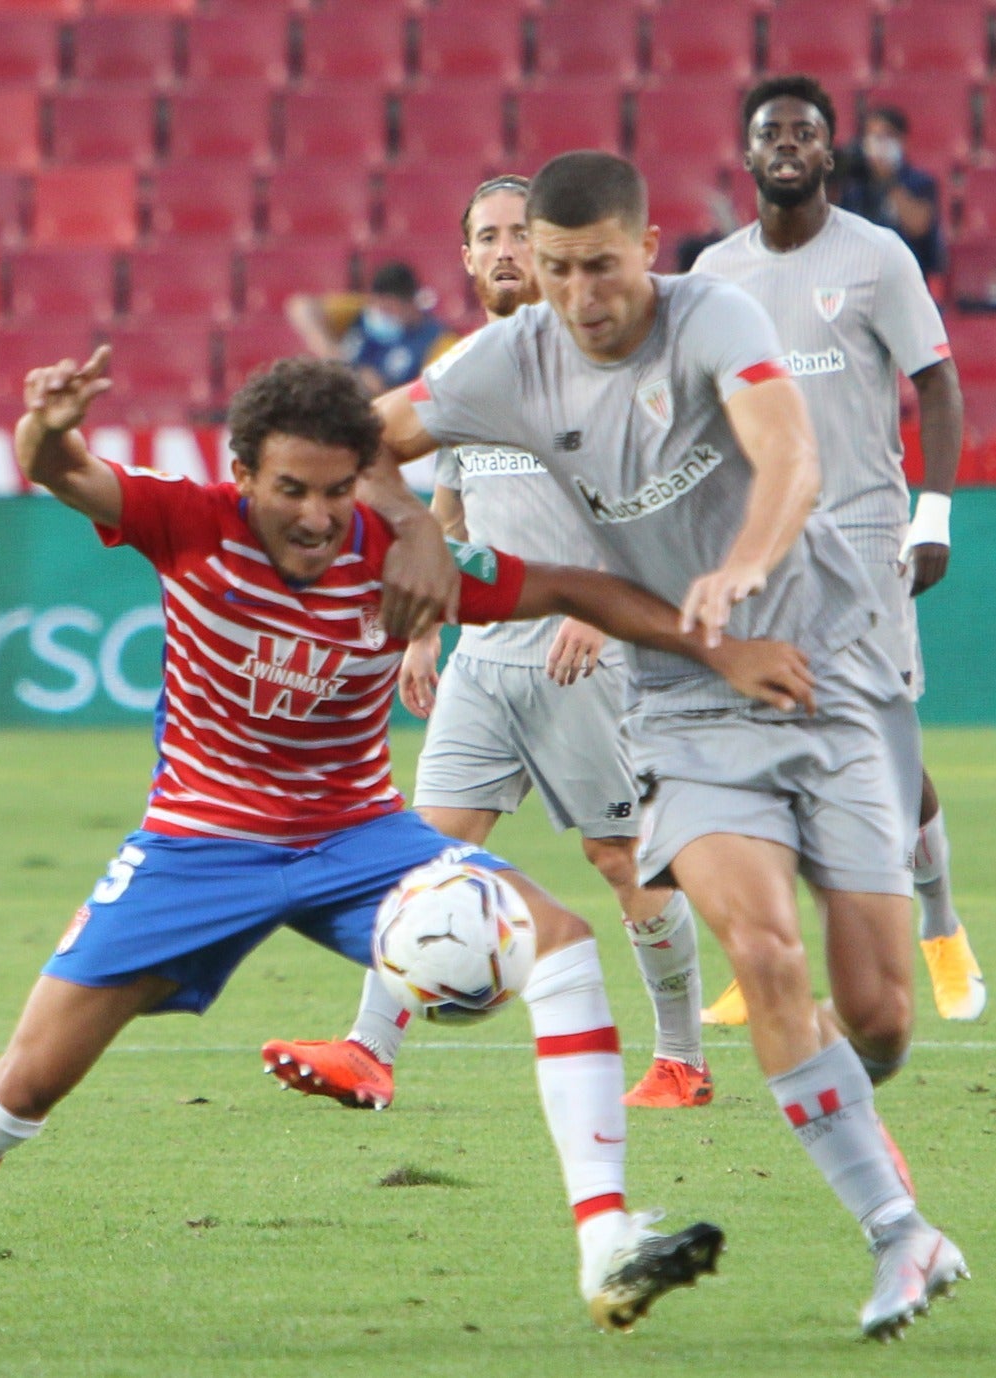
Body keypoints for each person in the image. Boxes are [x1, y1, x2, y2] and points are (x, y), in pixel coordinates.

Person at [0, 349, 831, 1343]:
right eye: (290, 490)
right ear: (242, 476)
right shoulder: (188, 521)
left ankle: (606, 1239)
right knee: (26, 1082)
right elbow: (60, 469)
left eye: (336, 489)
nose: (317, 516)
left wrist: (722, 650)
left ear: (365, 479)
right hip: (197, 845)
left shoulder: (401, 557)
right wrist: (45, 425)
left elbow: (574, 589)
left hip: (359, 836)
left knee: (560, 941)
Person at [350, 151, 971, 1340]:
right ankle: (901, 1233)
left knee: (879, 1014)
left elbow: (790, 457)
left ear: (646, 250)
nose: (578, 294)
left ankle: (850, 1096)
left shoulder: (714, 316)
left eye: (600, 266)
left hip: (829, 662)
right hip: (683, 689)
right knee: (765, 950)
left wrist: (742, 566)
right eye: (555, 267)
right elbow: (366, 440)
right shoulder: (501, 361)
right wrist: (414, 538)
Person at [262, 175, 712, 1115]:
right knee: (423, 856)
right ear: (465, 257)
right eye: (488, 237)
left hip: (585, 657)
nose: (505, 250)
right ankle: (369, 1051)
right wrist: (425, 627)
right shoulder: (466, 370)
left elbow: (662, 505)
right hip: (486, 659)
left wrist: (600, 608)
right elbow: (452, 506)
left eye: (519, 234)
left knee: (623, 860)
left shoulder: (603, 365)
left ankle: (682, 1059)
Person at [691, 74, 987, 1029]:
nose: (787, 144)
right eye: (770, 132)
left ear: (829, 154)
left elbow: (936, 383)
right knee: (763, 755)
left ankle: (940, 922)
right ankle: (767, 948)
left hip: (861, 536)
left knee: (887, 757)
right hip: (760, 545)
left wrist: (932, 513)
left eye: (805, 132)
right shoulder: (714, 274)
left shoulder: (877, 256)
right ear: (747, 155)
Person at [286, 259, 457, 394]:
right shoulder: (362, 312)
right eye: (379, 307)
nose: (382, 314)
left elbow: (431, 395)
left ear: (410, 303)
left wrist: (380, 389)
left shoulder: (438, 340)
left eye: (389, 308)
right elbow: (301, 307)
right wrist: (331, 352)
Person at [838, 106, 945, 279]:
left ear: (902, 141)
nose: (878, 145)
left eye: (885, 137)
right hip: (860, 273)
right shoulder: (854, 186)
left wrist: (887, 180)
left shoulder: (920, 182)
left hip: (906, 275)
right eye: (872, 137)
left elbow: (919, 226)